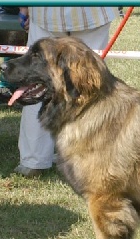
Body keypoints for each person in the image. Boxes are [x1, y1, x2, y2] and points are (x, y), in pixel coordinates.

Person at [13, 7, 116, 177]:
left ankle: (34, 160)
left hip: (47, 12)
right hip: (92, 12)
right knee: (88, 91)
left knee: (37, 84)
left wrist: (24, 7)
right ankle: (86, 155)